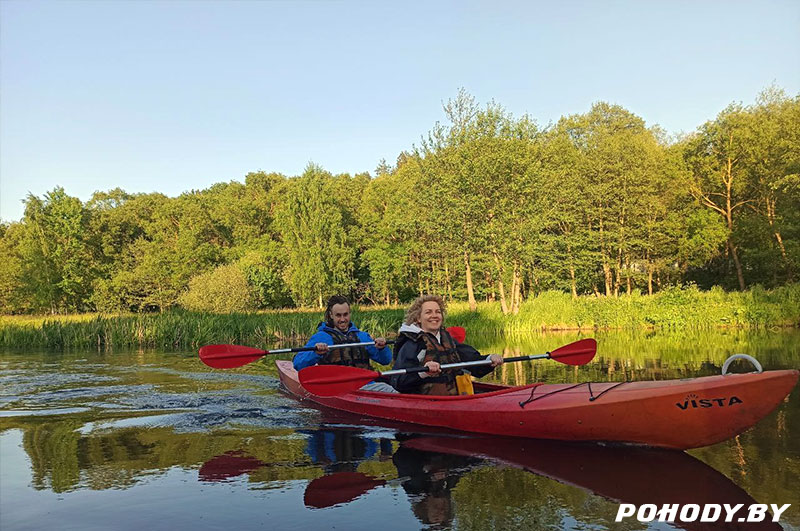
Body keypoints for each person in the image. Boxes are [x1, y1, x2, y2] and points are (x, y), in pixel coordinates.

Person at [391, 294, 503, 395]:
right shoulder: (412, 344)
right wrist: (424, 372)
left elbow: (473, 362)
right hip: (426, 401)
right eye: (428, 312)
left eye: (438, 312)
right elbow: (399, 382)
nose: (434, 316)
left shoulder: (448, 340)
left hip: (455, 397)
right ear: (418, 318)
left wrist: (490, 359)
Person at [293, 295, 397, 393]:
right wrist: (316, 353)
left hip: (365, 384)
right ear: (331, 315)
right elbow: (298, 364)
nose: (342, 319)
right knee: (389, 390)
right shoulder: (321, 337)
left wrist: (382, 348)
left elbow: (385, 361)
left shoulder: (362, 336)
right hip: (335, 386)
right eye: (338, 315)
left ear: (350, 313)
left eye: (345, 314)